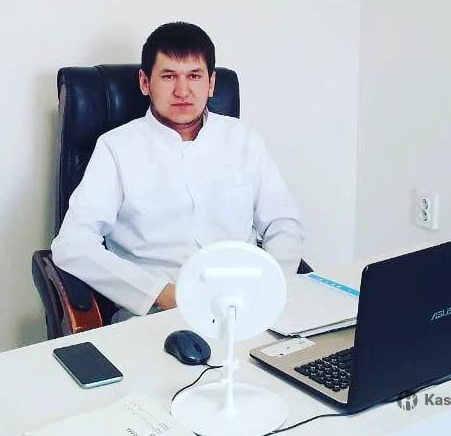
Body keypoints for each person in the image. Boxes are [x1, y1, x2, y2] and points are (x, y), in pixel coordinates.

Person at [51, 22, 304, 320]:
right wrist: (161, 293)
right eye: (168, 76)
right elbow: (73, 244)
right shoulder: (116, 147)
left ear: (211, 84)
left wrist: (267, 288)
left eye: (194, 76)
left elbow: (283, 224)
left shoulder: (243, 139)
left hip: (245, 304)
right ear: (145, 82)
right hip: (157, 311)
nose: (182, 91)